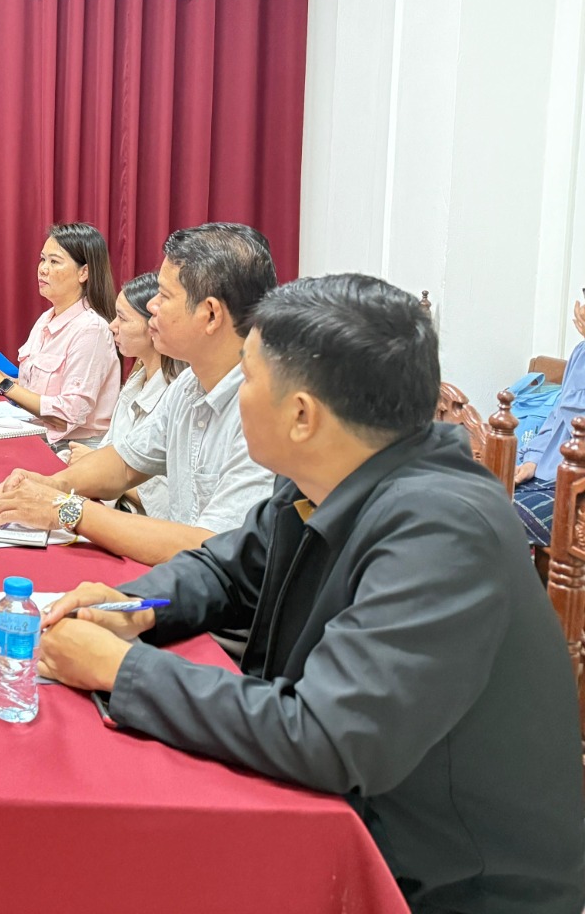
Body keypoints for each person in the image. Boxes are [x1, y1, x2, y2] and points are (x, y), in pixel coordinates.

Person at [35, 274, 585, 914]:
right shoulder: (329, 474)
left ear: (302, 415)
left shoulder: (443, 528)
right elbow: (226, 570)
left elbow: (328, 733)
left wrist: (122, 670)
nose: (236, 394)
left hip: (442, 885)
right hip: (351, 819)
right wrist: (133, 608)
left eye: (248, 376)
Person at [0, 223, 277, 566]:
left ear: (211, 314)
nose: (151, 306)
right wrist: (53, 484)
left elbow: (211, 547)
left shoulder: (265, 412)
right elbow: (124, 464)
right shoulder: (189, 385)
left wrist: (65, 509)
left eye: (164, 296)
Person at [0, 222, 121, 446]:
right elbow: (37, 390)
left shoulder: (91, 329)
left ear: (84, 272)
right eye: (42, 259)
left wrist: (4, 384)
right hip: (36, 433)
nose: (43, 269)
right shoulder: (47, 318)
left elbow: (68, 416)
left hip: (72, 447)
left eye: (54, 262)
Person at [66, 271, 180, 518]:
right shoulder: (136, 382)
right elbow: (110, 448)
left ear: (154, 324)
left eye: (123, 318)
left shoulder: (176, 393)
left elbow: (168, 498)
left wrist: (99, 467)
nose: (112, 326)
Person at [511, 296, 585, 546]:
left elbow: (579, 424)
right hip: (550, 476)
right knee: (472, 496)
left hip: (576, 489)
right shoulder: (581, 351)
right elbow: (558, 415)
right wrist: (532, 460)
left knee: (493, 516)